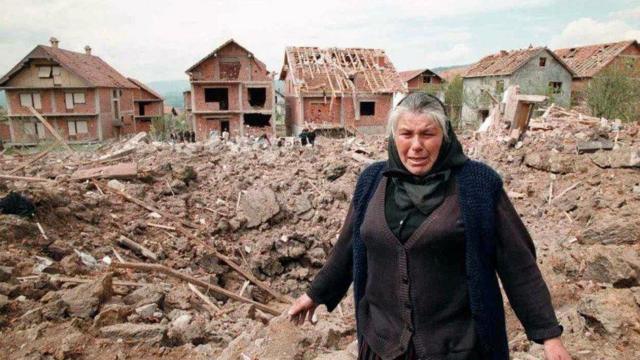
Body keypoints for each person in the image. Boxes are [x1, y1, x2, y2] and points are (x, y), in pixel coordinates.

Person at [288, 93, 571, 360]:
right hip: (383, 344)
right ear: (393, 137)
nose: (416, 146)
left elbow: (517, 263)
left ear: (444, 136)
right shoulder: (372, 181)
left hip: (456, 348)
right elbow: (349, 247)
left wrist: (548, 335)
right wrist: (315, 294)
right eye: (406, 134)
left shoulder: (478, 185)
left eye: (427, 134)